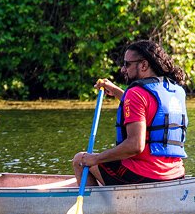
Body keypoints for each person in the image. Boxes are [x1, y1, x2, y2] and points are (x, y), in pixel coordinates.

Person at [71, 40, 187, 186]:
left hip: (144, 174)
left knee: (80, 160)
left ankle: (95, 208)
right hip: (176, 174)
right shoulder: (175, 90)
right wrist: (114, 90)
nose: (123, 70)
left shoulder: (136, 93)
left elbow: (134, 146)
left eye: (127, 64)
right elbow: (145, 107)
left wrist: (96, 159)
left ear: (144, 65)